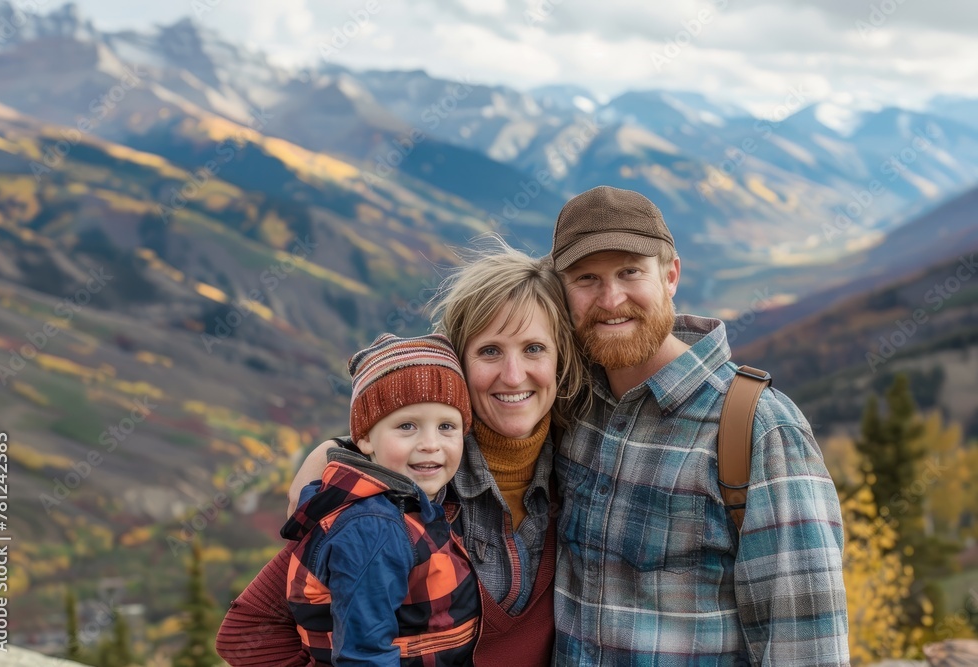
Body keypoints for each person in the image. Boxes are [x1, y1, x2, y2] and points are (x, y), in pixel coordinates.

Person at [217, 246, 586, 667]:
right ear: (458, 365)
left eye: (534, 348)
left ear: (561, 359)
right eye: (489, 351)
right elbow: (248, 630)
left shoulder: (584, 468)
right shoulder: (399, 494)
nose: (514, 374)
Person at [548, 186, 850, 665]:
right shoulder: (569, 404)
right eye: (586, 278)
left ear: (670, 275)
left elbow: (806, 645)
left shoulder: (759, 429)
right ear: (562, 292)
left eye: (630, 272)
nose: (611, 299)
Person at [287, 332, 479, 665]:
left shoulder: (409, 506)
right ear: (363, 438)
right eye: (407, 426)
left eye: (446, 426)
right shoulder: (373, 527)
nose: (430, 444)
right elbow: (363, 654)